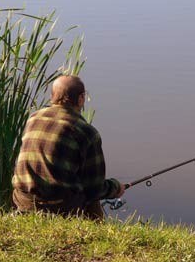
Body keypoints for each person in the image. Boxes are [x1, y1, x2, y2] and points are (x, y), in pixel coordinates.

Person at [12, 75, 125, 220]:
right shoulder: (86, 132)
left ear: (52, 96)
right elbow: (94, 188)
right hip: (59, 206)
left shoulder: (33, 118)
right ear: (81, 98)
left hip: (23, 200)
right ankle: (96, 235)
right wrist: (115, 188)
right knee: (91, 197)